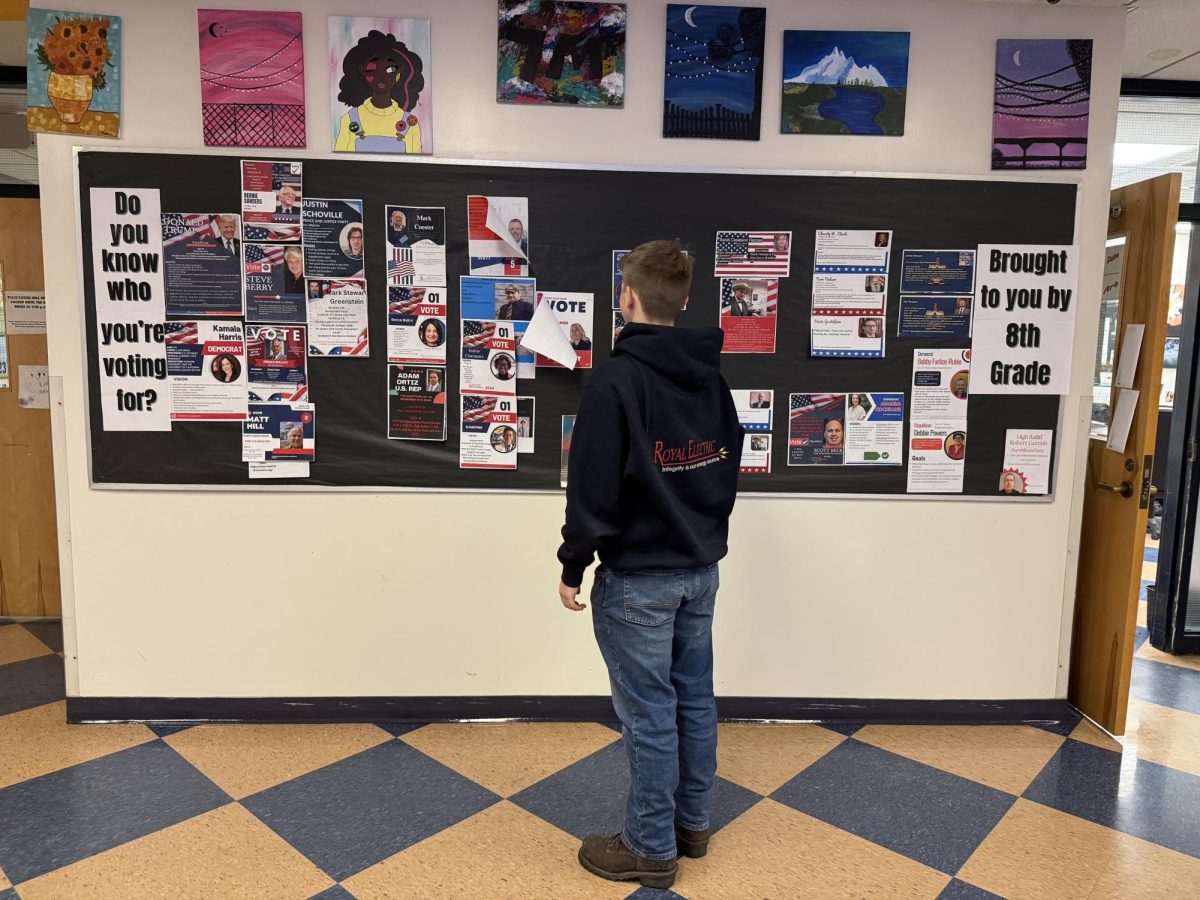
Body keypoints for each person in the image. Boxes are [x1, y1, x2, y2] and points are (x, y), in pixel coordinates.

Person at [558, 240, 742, 890]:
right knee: (693, 697)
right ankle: (692, 825)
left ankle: (649, 846)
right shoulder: (710, 377)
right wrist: (705, 539)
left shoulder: (616, 379)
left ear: (627, 298)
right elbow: (727, 468)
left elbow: (592, 489)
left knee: (649, 713)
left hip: (640, 580)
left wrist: (572, 564)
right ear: (684, 301)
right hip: (700, 570)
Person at [334, 29, 425, 154]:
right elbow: (342, 165)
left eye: (390, 69)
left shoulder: (410, 123)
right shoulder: (350, 120)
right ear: (362, 71)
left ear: (400, 72)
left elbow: (415, 168)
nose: (381, 77)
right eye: (373, 69)